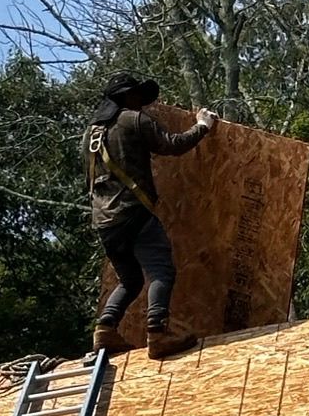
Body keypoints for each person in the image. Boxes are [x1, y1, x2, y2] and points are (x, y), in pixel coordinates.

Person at [84, 73, 217, 359]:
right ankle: (157, 333)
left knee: (130, 280)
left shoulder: (91, 133)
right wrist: (203, 126)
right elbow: (172, 144)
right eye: (137, 97)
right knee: (162, 271)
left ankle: (105, 330)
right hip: (133, 213)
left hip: (104, 223)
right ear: (126, 97)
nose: (141, 103)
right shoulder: (133, 120)